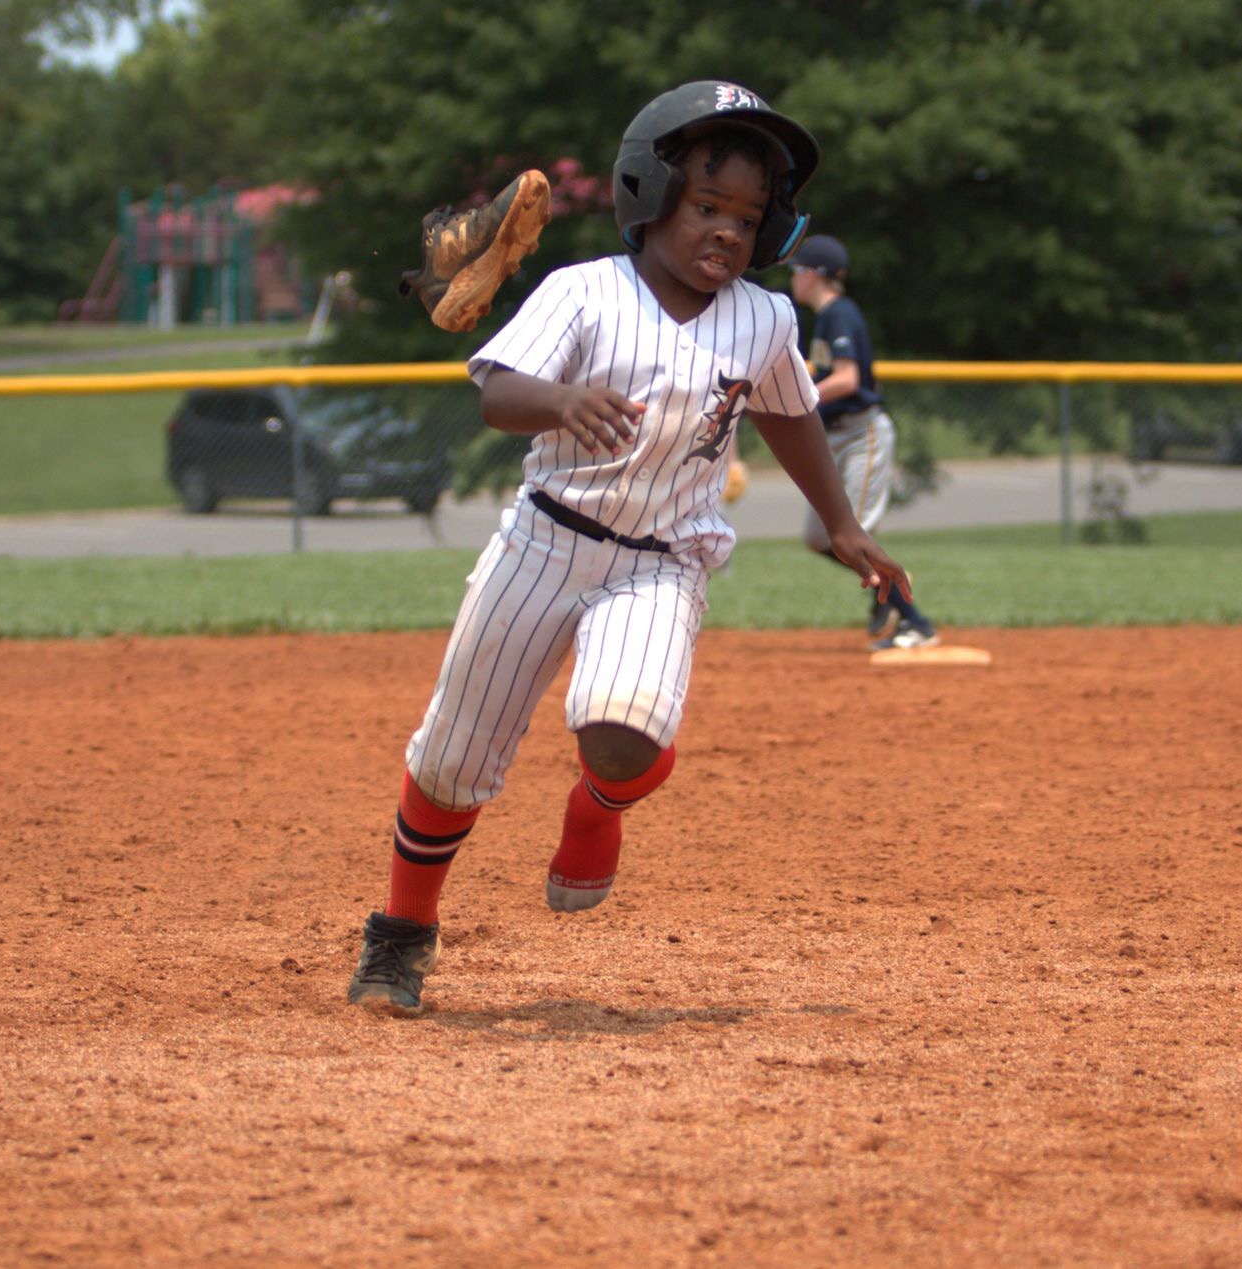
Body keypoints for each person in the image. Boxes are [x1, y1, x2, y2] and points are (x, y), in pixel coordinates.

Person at [347, 80, 915, 1017]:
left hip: (663, 557)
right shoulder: (583, 291)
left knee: (622, 732)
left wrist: (844, 523)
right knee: (453, 760)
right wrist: (561, 401)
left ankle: (596, 808)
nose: (726, 232)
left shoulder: (765, 318)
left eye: (746, 216)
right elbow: (496, 393)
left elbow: (791, 416)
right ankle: (403, 930)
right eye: (705, 206)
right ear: (648, 196)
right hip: (543, 541)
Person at [787, 234, 939, 650]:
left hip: (861, 435)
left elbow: (849, 379)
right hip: (833, 438)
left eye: (797, 270)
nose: (793, 279)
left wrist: (801, 395)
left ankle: (917, 624)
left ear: (813, 275)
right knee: (820, 539)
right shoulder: (826, 318)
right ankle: (884, 595)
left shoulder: (839, 314)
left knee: (853, 534)